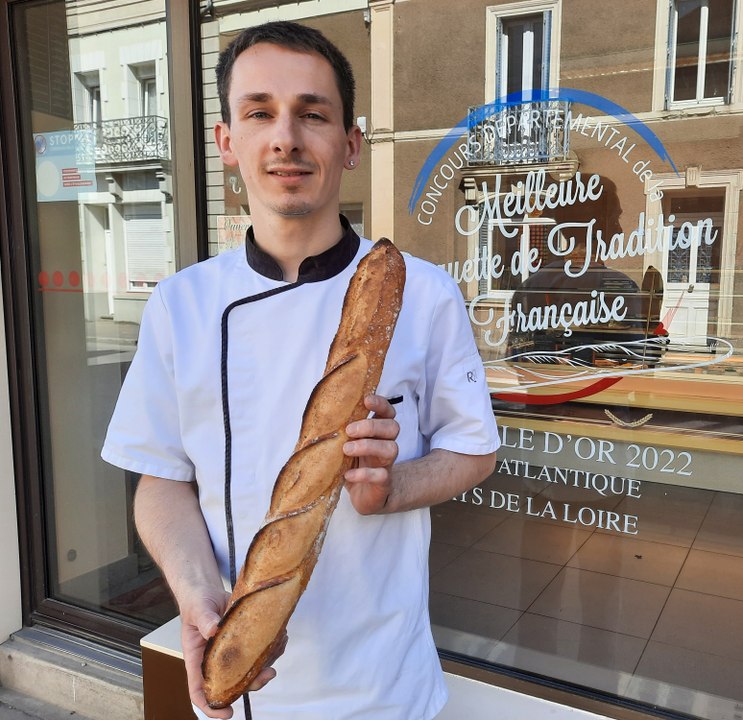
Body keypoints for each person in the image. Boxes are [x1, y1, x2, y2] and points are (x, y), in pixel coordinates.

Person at [100, 21, 498, 720]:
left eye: (312, 114)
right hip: (235, 671)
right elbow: (159, 479)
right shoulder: (181, 304)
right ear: (227, 142)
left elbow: (474, 449)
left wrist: (393, 485)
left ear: (349, 145)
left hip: (383, 687)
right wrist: (195, 597)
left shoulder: (421, 292)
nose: (286, 137)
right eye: (259, 113)